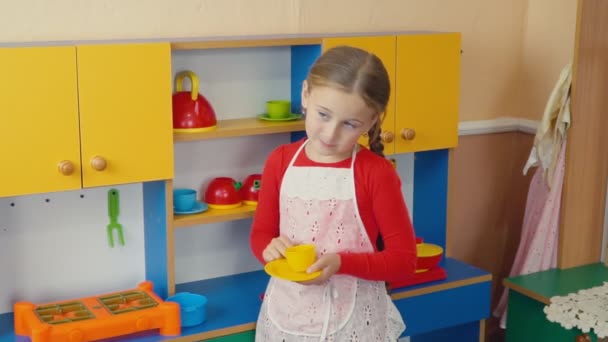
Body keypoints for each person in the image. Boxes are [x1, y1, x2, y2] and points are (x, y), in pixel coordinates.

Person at [249, 45, 417, 341]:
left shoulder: (376, 173)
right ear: (305, 94)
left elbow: (404, 261)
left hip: (354, 324)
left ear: (373, 120)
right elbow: (261, 234)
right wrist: (268, 249)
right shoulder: (279, 161)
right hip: (285, 316)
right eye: (323, 115)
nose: (330, 134)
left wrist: (342, 263)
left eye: (350, 124)